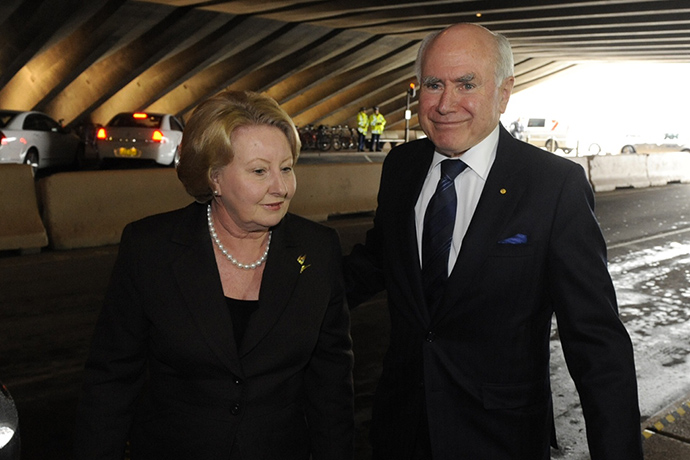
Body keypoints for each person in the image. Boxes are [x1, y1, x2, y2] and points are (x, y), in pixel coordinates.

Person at [345, 23, 643, 460]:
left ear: (504, 93)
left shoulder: (552, 186)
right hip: (400, 430)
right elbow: (379, 260)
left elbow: (596, 343)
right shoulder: (402, 167)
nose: (446, 104)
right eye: (433, 84)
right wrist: (279, 275)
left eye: (466, 84)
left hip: (500, 438)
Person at [74, 90, 354, 460]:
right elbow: (110, 381)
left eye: (286, 168)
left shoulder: (318, 250)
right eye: (259, 171)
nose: (281, 187)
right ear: (215, 179)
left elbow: (331, 388)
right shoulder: (150, 249)